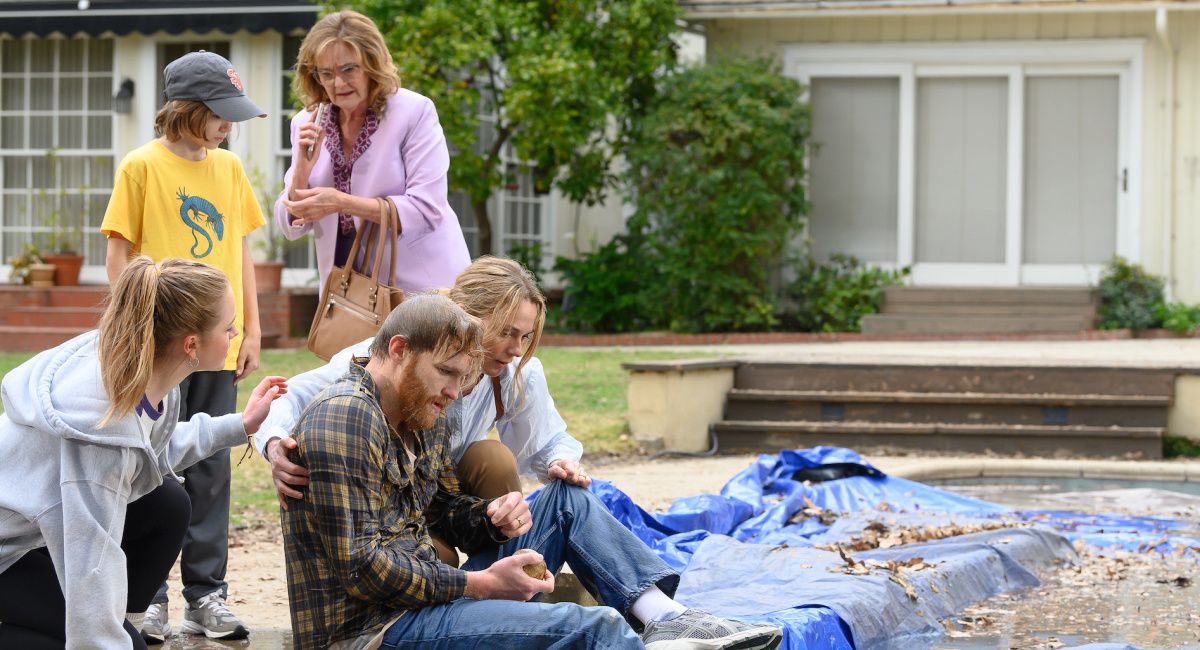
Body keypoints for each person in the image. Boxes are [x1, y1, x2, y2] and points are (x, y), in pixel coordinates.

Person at [281, 294, 781, 650]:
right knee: (593, 628)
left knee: (566, 501)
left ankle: (666, 620)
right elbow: (361, 571)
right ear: (398, 350)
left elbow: (441, 509)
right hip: (372, 631)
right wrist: (482, 586)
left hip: (421, 601)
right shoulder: (347, 415)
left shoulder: (418, 410)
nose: (456, 392)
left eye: (463, 377)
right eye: (448, 374)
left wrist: (492, 520)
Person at [0, 257, 286, 650]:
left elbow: (150, 453)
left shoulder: (141, 366)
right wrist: (105, 640)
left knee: (166, 502)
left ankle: (121, 626)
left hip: (35, 537)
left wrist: (241, 424)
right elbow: (91, 559)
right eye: (228, 326)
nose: (236, 332)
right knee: (101, 640)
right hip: (8, 555)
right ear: (191, 344)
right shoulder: (101, 432)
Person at [256, 256, 586, 565]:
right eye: (506, 332)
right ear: (463, 312)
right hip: (395, 500)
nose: (516, 350)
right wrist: (274, 443)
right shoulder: (383, 359)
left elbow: (544, 440)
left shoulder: (514, 373)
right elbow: (289, 395)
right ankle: (466, 593)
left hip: (449, 495)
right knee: (438, 560)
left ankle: (504, 572)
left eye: (525, 337)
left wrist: (559, 461)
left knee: (493, 459)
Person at [100, 50, 268, 642]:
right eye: (221, 114)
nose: (229, 126)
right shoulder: (141, 166)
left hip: (218, 345)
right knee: (148, 465)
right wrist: (130, 333)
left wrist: (249, 327)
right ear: (187, 110)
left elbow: (242, 251)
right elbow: (119, 255)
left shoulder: (228, 170)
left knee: (212, 469)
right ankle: (148, 598)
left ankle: (207, 596)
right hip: (160, 348)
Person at [276, 9, 470, 293]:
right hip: (346, 295)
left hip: (422, 290)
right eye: (326, 74)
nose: (338, 84)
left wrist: (341, 202)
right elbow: (290, 226)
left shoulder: (414, 112)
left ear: (372, 64)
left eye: (349, 69)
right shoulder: (306, 122)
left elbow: (426, 209)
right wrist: (301, 173)